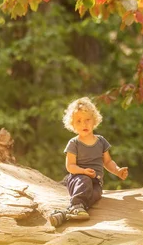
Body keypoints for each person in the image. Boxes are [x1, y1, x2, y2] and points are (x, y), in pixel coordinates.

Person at [49, 97, 128, 227]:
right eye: (78, 121)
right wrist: (83, 171)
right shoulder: (74, 143)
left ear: (94, 120)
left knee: (95, 195)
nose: (84, 124)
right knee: (85, 181)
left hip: (96, 183)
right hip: (77, 178)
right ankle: (76, 206)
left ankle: (65, 213)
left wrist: (118, 171)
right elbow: (70, 166)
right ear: (73, 124)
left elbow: (107, 162)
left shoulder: (101, 141)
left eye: (87, 120)